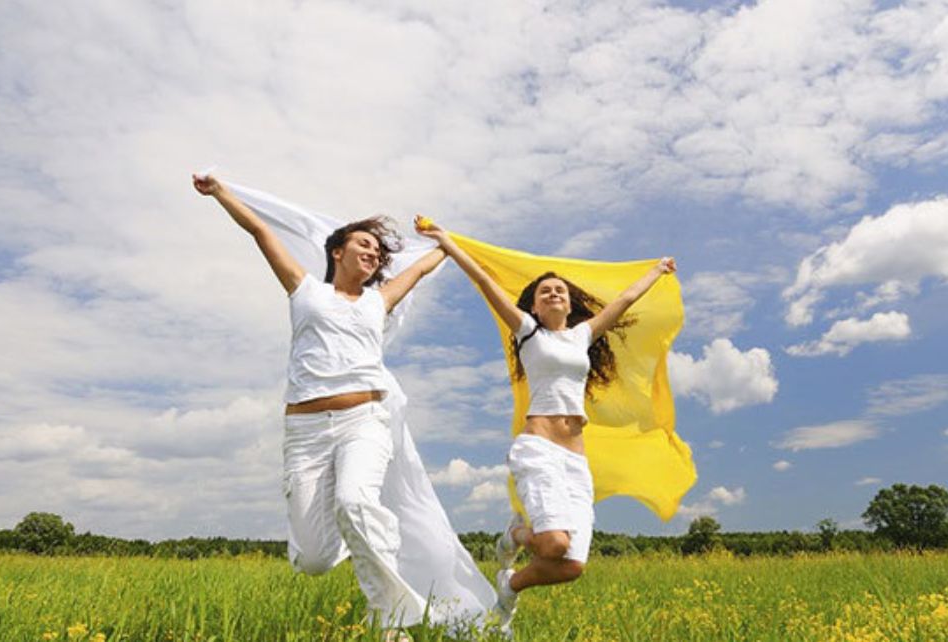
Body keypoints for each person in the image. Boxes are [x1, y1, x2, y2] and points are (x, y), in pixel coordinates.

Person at [194, 174, 446, 637]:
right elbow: (261, 232)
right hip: (306, 431)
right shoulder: (305, 289)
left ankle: (391, 624)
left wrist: (450, 243)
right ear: (338, 251)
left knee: (354, 499)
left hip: (364, 419)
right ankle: (366, 535)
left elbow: (426, 267)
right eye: (365, 246)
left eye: (378, 254)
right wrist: (221, 193)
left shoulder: (379, 300)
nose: (373, 255)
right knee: (311, 559)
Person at [414, 215, 675, 632]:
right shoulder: (529, 332)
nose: (553, 293)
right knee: (553, 544)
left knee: (571, 566)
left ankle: (509, 583)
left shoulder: (581, 336)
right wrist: (446, 240)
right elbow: (484, 281)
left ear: (569, 304)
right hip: (538, 449)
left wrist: (656, 272)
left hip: (575, 461)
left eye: (560, 290)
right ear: (534, 305)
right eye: (544, 291)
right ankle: (519, 537)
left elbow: (623, 301)